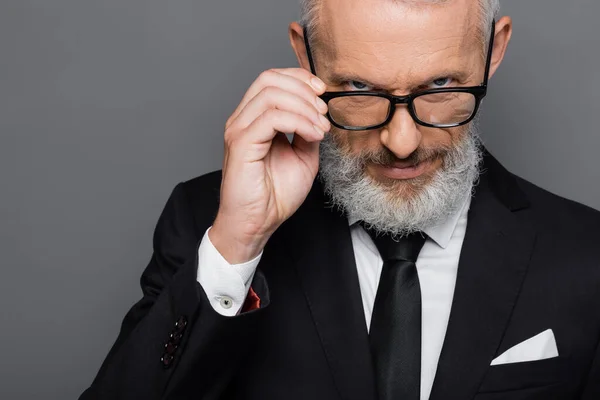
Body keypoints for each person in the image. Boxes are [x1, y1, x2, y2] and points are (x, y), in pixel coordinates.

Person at [79, 0, 600, 399]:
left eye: (440, 86)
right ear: (305, 54)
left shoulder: (585, 255)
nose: (402, 143)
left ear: (494, 48)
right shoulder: (205, 223)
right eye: (359, 89)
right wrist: (238, 247)